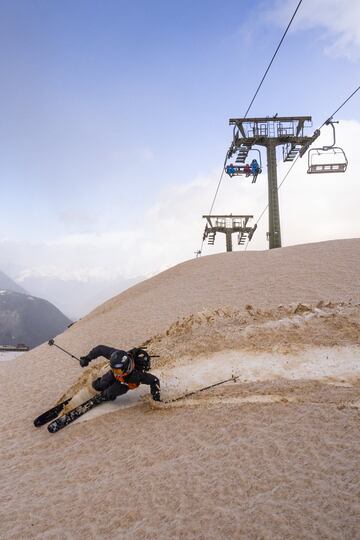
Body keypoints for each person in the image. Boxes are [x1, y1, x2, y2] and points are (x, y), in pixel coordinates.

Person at [79, 345, 161, 402]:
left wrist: (156, 399)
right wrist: (87, 358)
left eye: (118, 371)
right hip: (121, 375)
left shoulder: (136, 376)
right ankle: (100, 388)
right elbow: (100, 349)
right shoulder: (116, 356)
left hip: (127, 382)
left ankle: (105, 396)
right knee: (100, 384)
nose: (116, 373)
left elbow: (154, 380)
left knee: (110, 393)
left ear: (127, 368)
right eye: (114, 369)